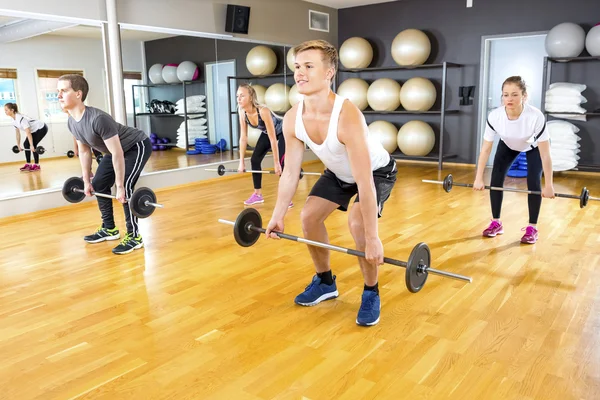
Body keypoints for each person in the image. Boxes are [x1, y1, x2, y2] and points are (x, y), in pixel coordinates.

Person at [264, 40, 397, 327]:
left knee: (358, 224)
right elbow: (290, 173)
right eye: (297, 66)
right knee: (309, 217)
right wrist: (276, 215)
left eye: (309, 66)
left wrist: (373, 239)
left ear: (329, 73)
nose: (300, 72)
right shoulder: (292, 118)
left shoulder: (347, 116)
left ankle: (371, 291)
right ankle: (325, 282)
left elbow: (364, 180)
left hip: (375, 173)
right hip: (338, 172)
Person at [58, 74, 152, 255]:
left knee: (126, 187)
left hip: (135, 146)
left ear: (78, 94)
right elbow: (84, 151)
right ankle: (109, 228)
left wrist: (120, 186)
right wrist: (86, 180)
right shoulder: (72, 122)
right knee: (99, 184)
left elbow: (118, 152)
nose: (59, 95)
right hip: (113, 151)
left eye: (64, 90)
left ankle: (134, 237)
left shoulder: (98, 119)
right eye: (58, 91)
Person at [473, 76, 555, 244]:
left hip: (532, 147)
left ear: (524, 96)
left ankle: (532, 227)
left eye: (514, 94)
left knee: (533, 181)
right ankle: (496, 222)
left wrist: (549, 185)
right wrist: (478, 178)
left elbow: (545, 155)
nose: (509, 99)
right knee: (496, 178)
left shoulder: (535, 116)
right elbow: (485, 149)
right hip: (508, 145)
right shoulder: (495, 116)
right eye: (505, 94)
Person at [236, 83, 292, 207]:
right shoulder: (242, 112)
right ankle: (257, 194)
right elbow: (243, 138)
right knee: (254, 159)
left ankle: (286, 198)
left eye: (242, 96)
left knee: (282, 164)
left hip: (283, 131)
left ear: (250, 97)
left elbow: (273, 138)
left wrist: (276, 163)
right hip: (268, 132)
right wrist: (241, 162)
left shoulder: (263, 111)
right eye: (237, 96)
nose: (239, 99)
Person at [4, 103, 48, 172]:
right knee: (25, 144)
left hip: (41, 128)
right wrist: (18, 145)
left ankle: (37, 165)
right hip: (33, 130)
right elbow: (17, 133)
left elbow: (28, 132)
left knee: (33, 145)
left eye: (6, 110)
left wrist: (31, 145)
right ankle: (28, 164)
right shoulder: (13, 120)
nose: (5, 111)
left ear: (12, 110)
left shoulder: (20, 118)